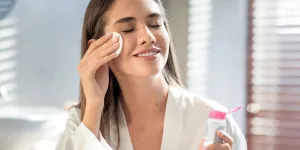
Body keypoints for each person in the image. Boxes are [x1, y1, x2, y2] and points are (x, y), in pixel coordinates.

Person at [55, 0, 247, 149]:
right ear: (97, 47)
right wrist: (95, 104)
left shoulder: (209, 120)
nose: (148, 37)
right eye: (127, 29)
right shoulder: (82, 121)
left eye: (155, 24)